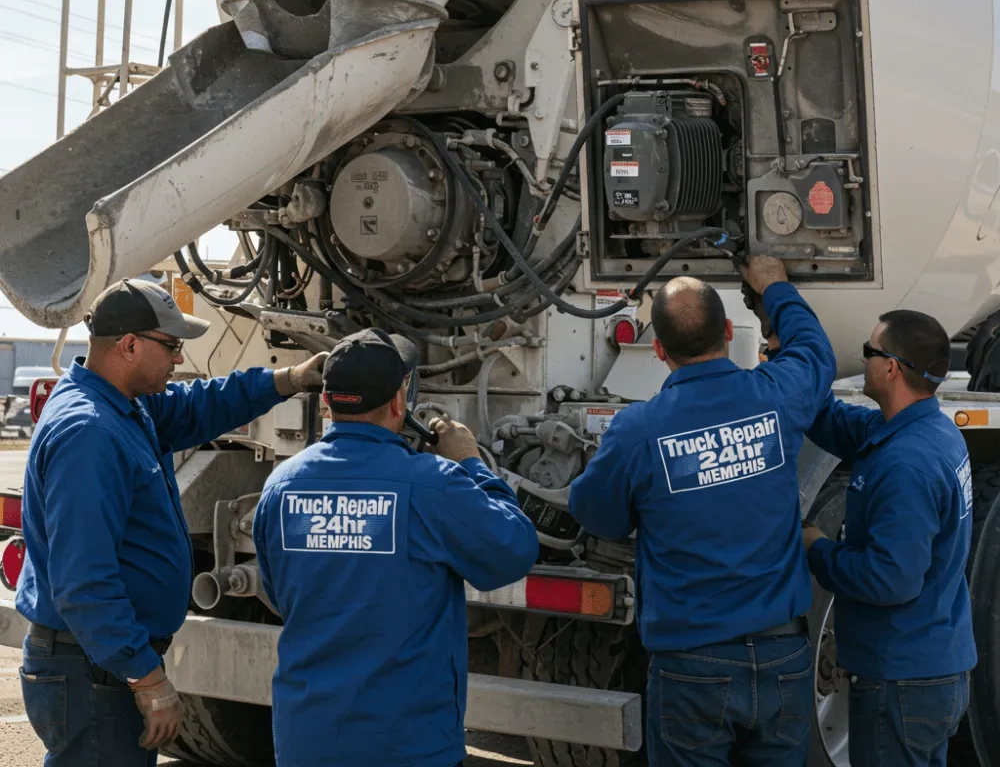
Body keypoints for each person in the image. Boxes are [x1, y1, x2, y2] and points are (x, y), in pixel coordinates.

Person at [16, 278, 326, 766]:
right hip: (92, 668)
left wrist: (290, 379)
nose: (179, 360)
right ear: (130, 345)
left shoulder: (124, 405)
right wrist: (148, 678)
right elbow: (84, 583)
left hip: (99, 661)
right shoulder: (90, 434)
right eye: (172, 346)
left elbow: (202, 403)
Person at [569, 256, 836, 767]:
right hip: (784, 657)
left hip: (693, 665)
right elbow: (814, 352)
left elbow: (598, 517)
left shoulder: (637, 431)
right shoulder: (776, 396)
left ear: (660, 350)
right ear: (730, 330)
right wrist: (774, 286)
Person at [252, 327, 540, 767]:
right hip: (407, 745)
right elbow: (514, 550)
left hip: (306, 741)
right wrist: (472, 463)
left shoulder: (281, 485)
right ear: (399, 403)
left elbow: (278, 594)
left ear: (327, 403)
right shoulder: (432, 484)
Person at [801, 309, 976, 767]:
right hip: (927, 669)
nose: (863, 360)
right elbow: (836, 423)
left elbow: (890, 581)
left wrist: (817, 548)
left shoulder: (907, 465)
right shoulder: (922, 429)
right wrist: (787, 351)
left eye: (868, 351)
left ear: (891, 367)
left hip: (901, 682)